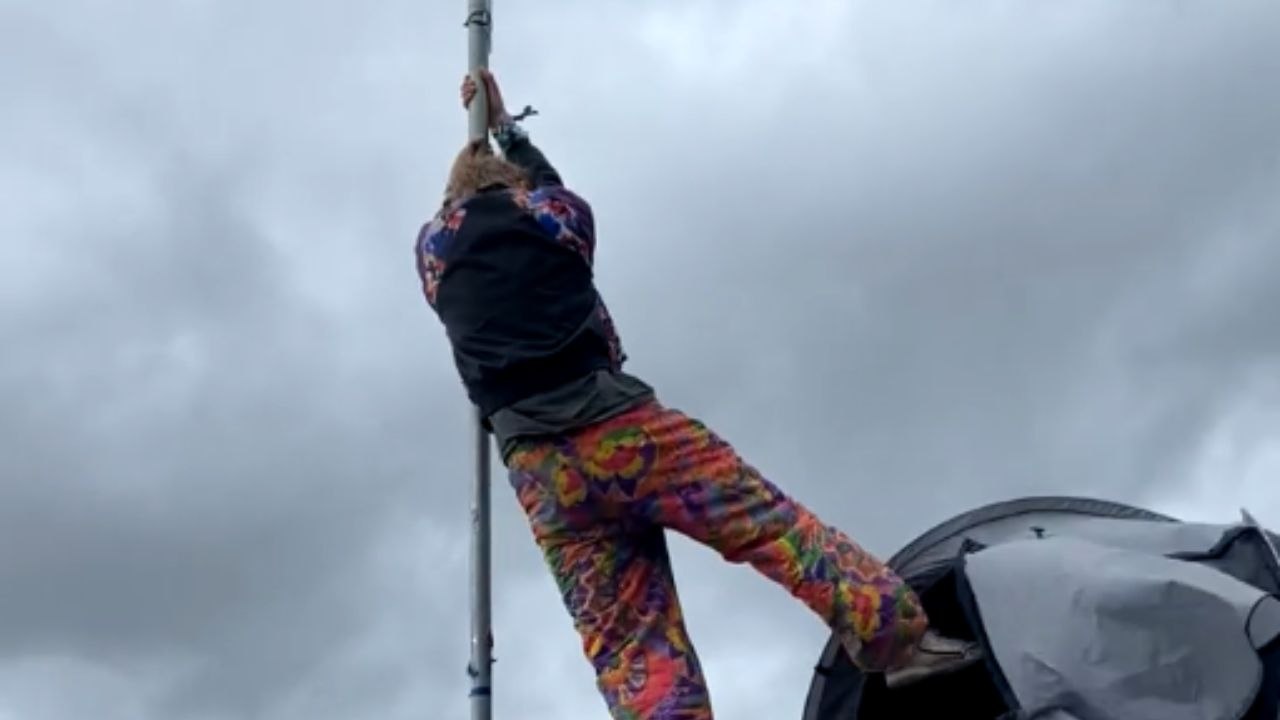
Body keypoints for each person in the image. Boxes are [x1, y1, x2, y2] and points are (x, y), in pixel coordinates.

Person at [414, 69, 982, 719]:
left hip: (546, 477)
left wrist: (469, 163)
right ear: (516, 192)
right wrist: (508, 132)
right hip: (625, 432)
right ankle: (895, 641)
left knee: (628, 639)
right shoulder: (554, 219)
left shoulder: (433, 256)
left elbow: (456, 222)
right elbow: (548, 191)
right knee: (768, 526)